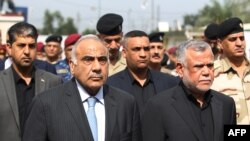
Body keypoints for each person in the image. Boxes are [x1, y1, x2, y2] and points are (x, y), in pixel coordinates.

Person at [23, 34, 141, 141]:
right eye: (88, 60)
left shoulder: (126, 103)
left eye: (102, 60)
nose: (97, 67)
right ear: (72, 66)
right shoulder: (45, 104)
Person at [142, 39, 236, 141]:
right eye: (198, 66)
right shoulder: (158, 106)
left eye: (210, 65)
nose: (206, 72)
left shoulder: (227, 104)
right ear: (180, 69)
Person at [0, 22, 63, 141]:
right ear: (9, 48)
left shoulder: (53, 82)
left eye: (31, 46)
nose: (27, 51)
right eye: (21, 45)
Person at [107, 30, 179, 116]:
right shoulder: (110, 86)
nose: (143, 54)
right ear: (124, 53)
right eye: (137, 49)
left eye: (146, 49)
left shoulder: (169, 83)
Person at [211, 17, 250, 124]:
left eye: (242, 38)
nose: (239, 43)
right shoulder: (211, 74)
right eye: (233, 39)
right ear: (220, 43)